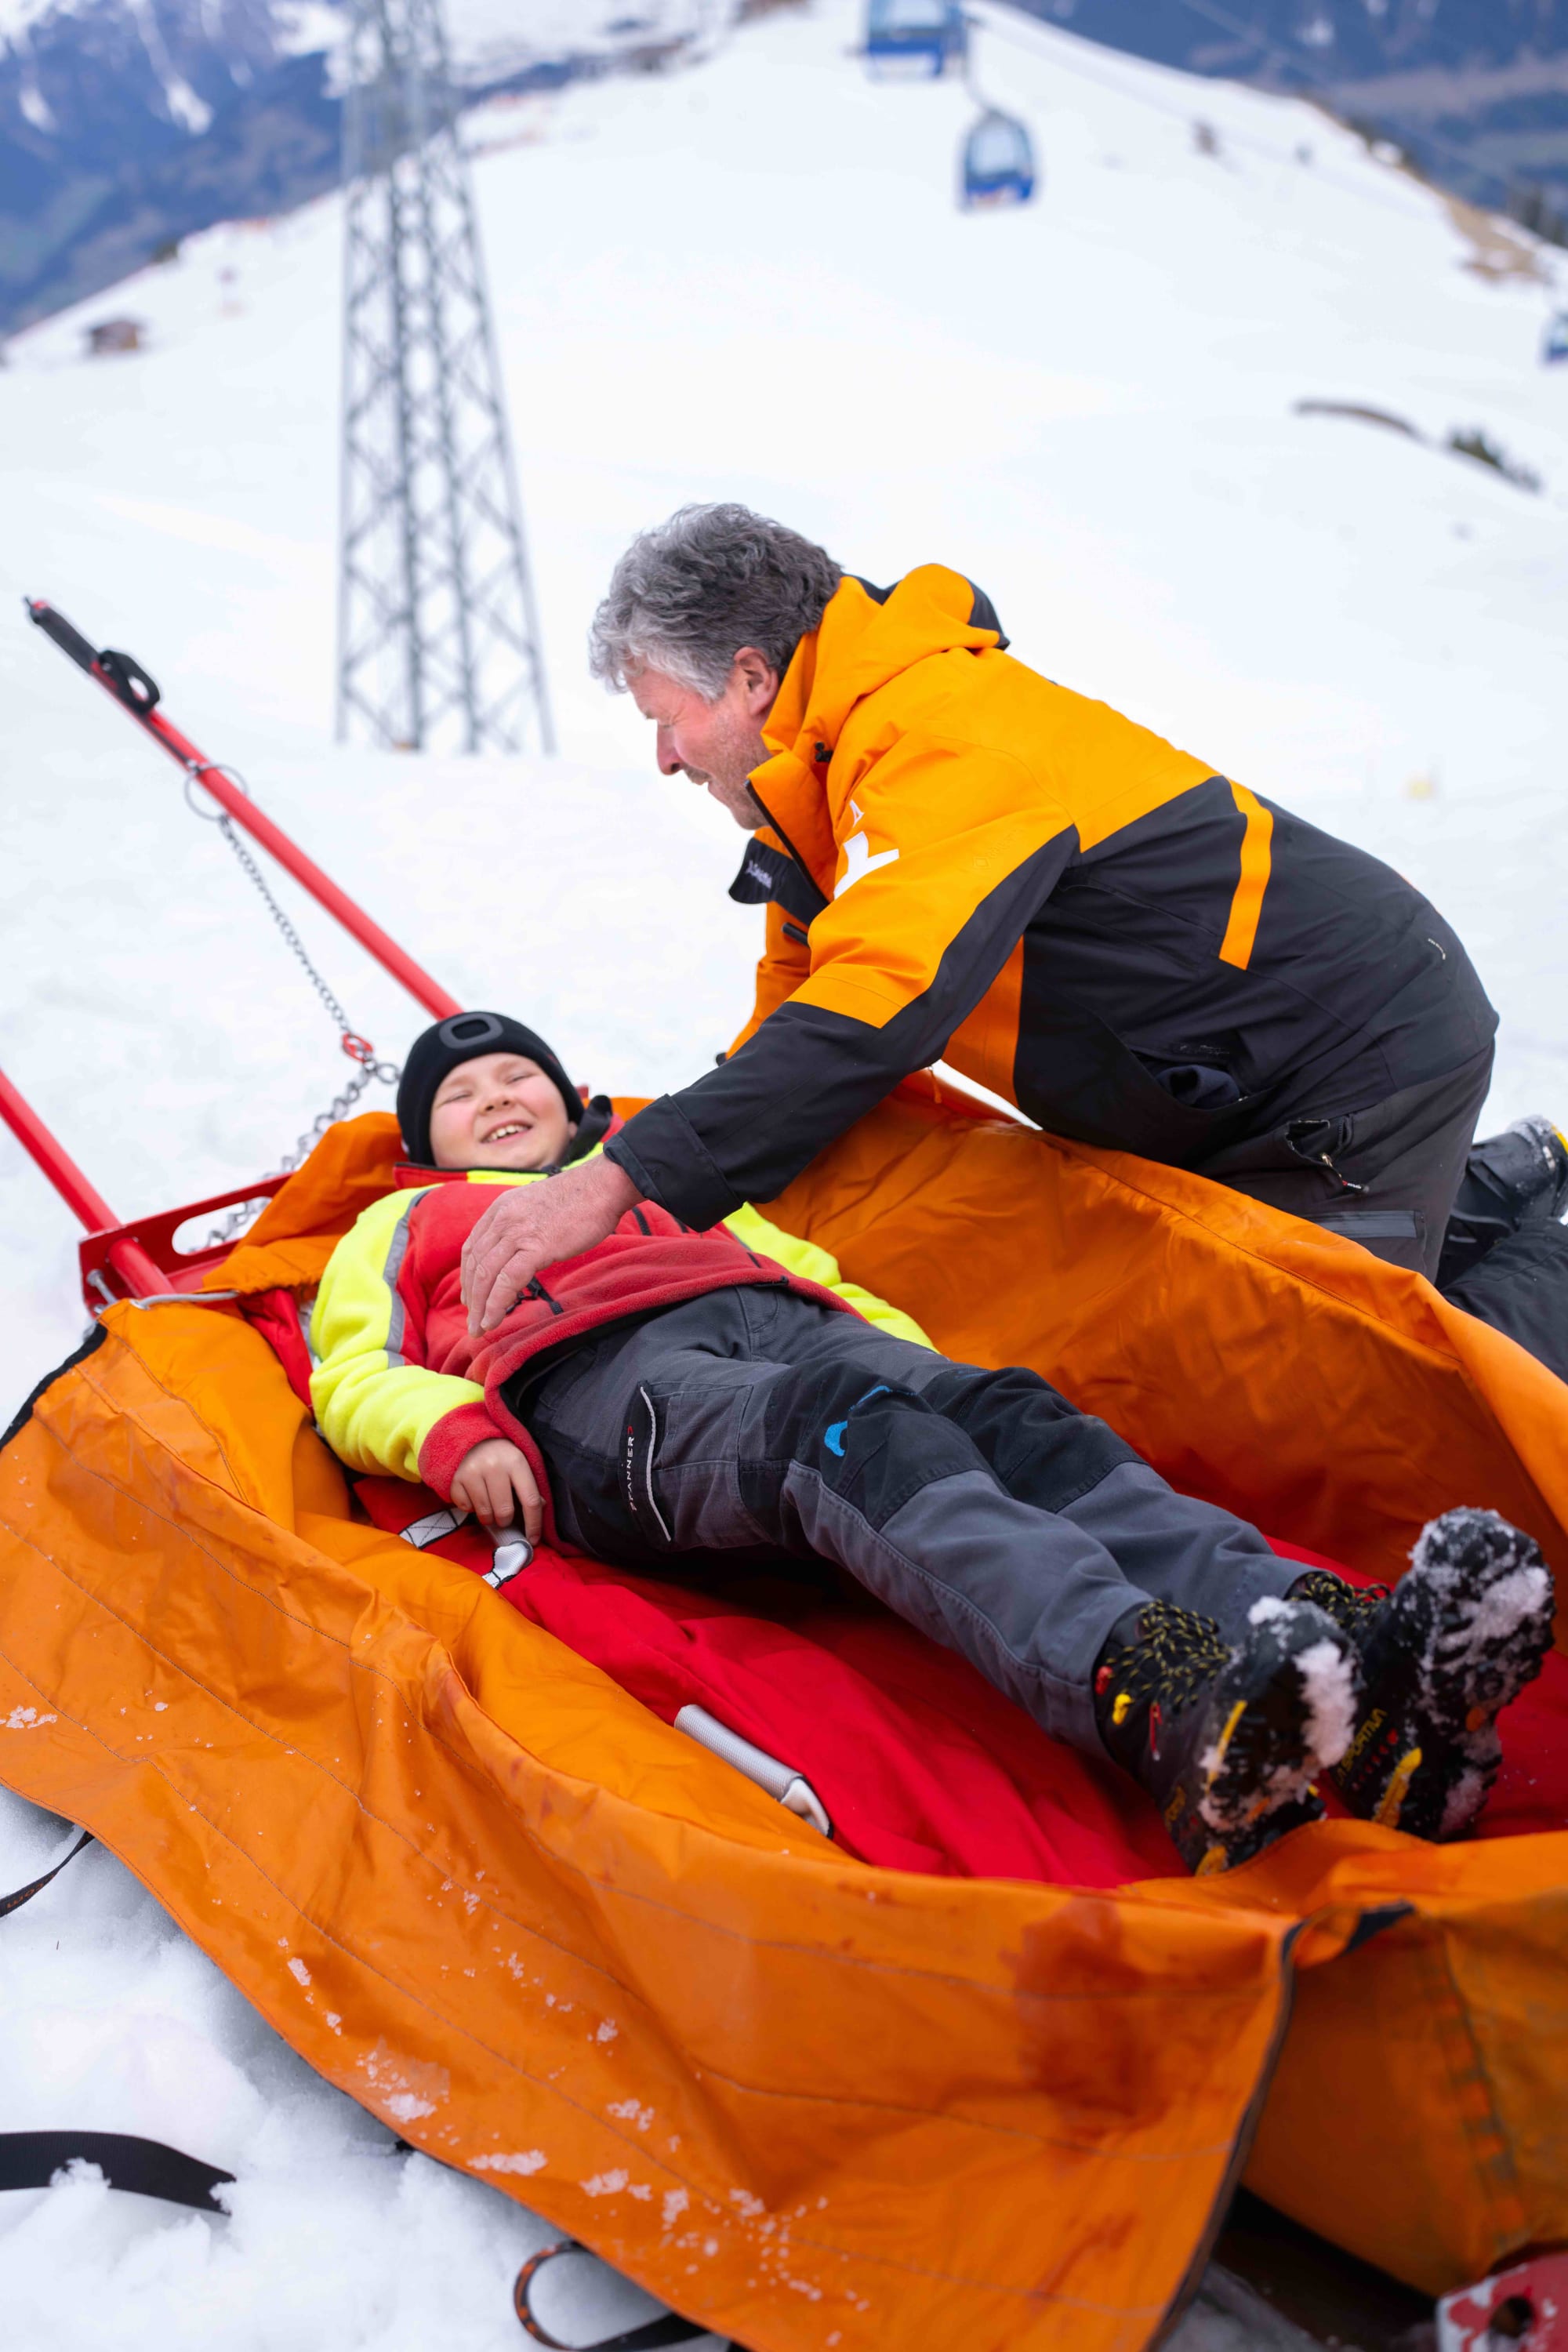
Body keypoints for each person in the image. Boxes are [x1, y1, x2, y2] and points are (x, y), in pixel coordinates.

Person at [309, 1010, 1555, 1876]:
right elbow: (350, 1373)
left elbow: (821, 1285)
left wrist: (953, 1384)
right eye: (463, 1097)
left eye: (517, 1076)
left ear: (571, 1100)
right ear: (428, 1145)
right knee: (848, 1439)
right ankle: (1157, 1690)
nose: (496, 1099)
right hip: (600, 1388)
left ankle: (1362, 1657)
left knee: (1020, 1424)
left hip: (789, 1332)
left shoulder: (647, 1178)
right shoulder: (405, 1224)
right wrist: (453, 1429)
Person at [457, 504, 1568, 1384]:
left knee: (1345, 1378)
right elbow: (790, 1045)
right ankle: (1505, 1184)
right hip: (1223, 1082)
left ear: (751, 678)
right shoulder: (827, 796)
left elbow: (876, 1013)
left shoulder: (936, 734)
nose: (664, 758)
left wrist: (615, 1186)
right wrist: (621, 1163)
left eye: (667, 718)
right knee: (1242, 1319)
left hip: (1349, 1054)